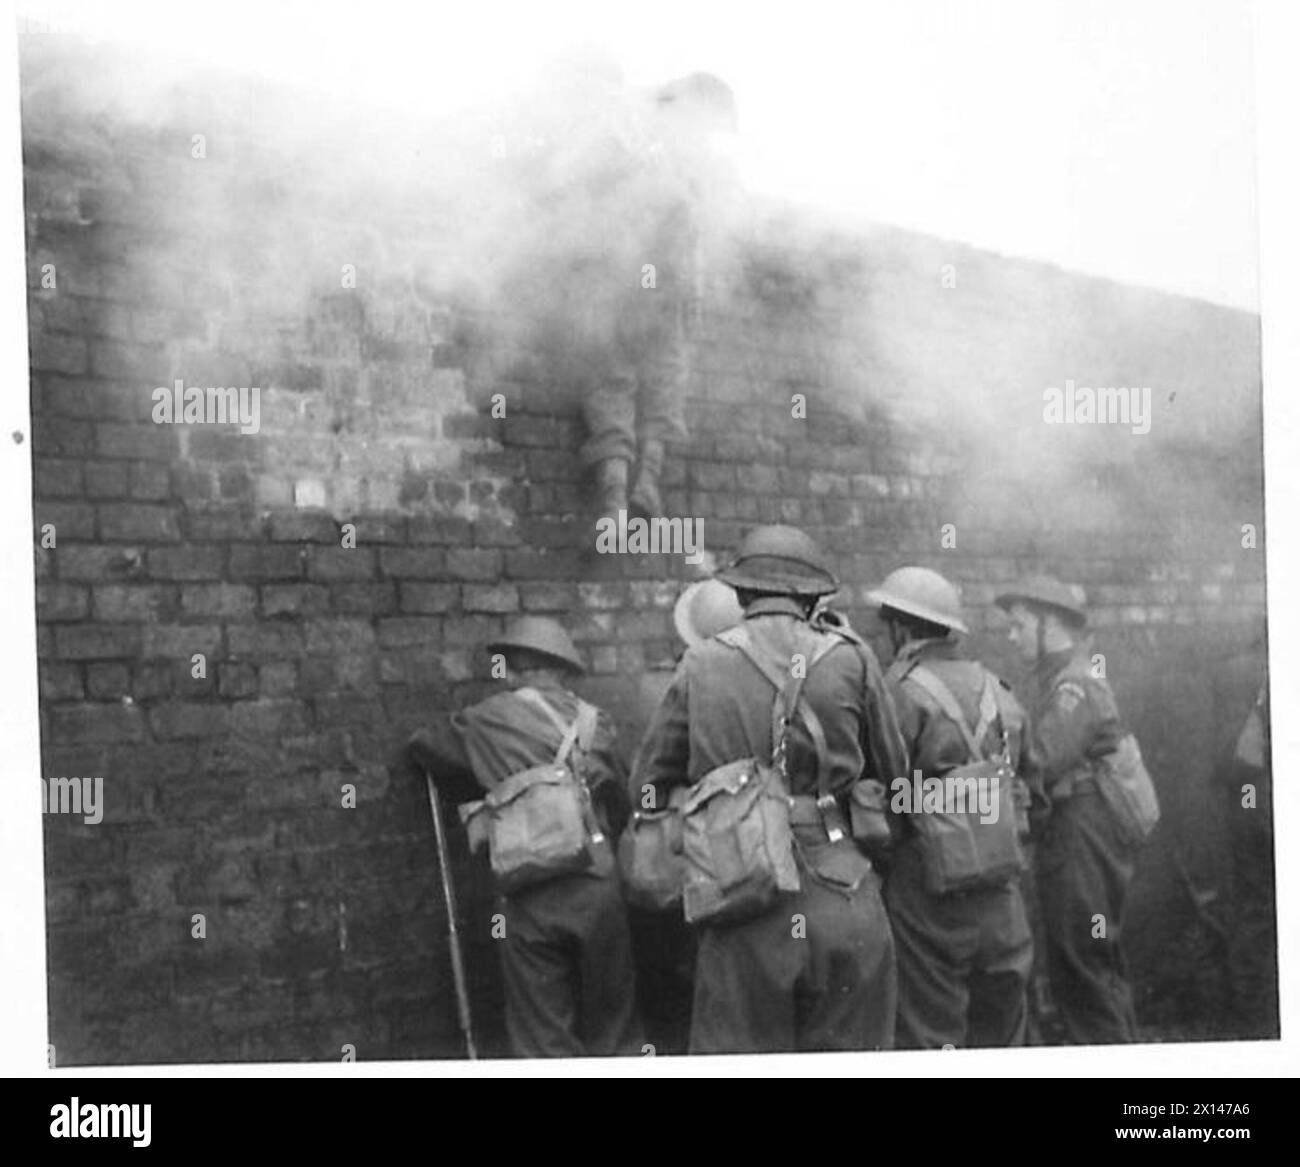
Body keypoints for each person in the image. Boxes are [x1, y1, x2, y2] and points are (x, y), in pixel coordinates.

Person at [632, 525, 905, 1053]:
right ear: (812, 598)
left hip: (741, 902)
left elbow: (645, 785)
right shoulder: (854, 657)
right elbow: (898, 778)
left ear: (741, 594)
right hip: (845, 896)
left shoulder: (702, 662)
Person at [408, 615, 642, 1057]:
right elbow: (625, 799)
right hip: (599, 886)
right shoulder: (598, 724)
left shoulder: (489, 719)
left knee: (541, 1031)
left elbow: (426, 746)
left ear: (514, 667)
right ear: (563, 669)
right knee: (614, 1023)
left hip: (530, 888)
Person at [868, 566, 1034, 1049]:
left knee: (930, 1035)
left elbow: (885, 796)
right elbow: (1030, 791)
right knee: (1002, 1036)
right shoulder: (1002, 693)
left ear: (901, 628)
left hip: (928, 897)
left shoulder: (896, 694)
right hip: (1002, 895)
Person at [996, 575, 1141, 1044]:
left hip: (1081, 835)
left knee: (1083, 965)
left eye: (1019, 626)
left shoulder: (1073, 686)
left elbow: (1042, 761)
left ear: (1050, 623)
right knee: (1091, 963)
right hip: (1079, 832)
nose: (1011, 636)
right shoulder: (1060, 679)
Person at [1222, 679, 1277, 1037]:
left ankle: (1253, 1012)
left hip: (1249, 793)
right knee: (1257, 906)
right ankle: (1256, 1016)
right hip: (1253, 793)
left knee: (1254, 905)